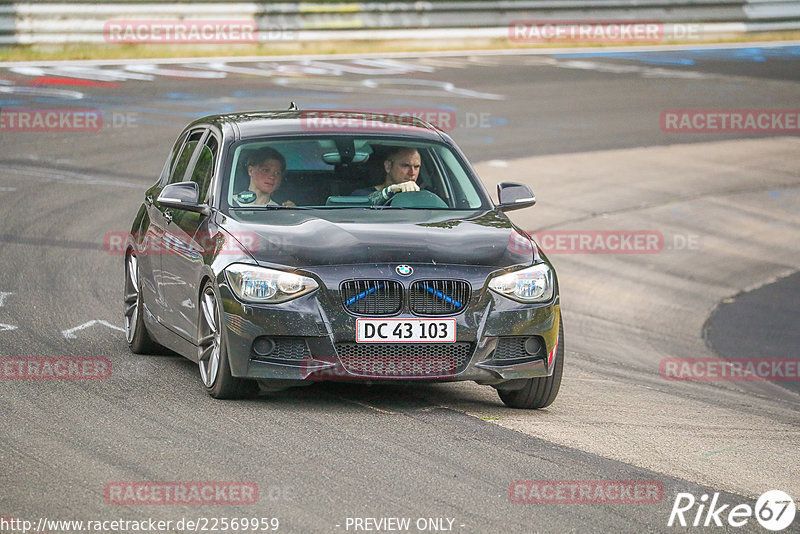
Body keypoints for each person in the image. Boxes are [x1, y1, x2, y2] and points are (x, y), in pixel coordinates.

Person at [350, 147, 421, 205]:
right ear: (388, 166)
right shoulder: (361, 195)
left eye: (416, 167)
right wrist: (392, 190)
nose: (412, 172)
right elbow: (365, 203)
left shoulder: (424, 197)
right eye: (405, 166)